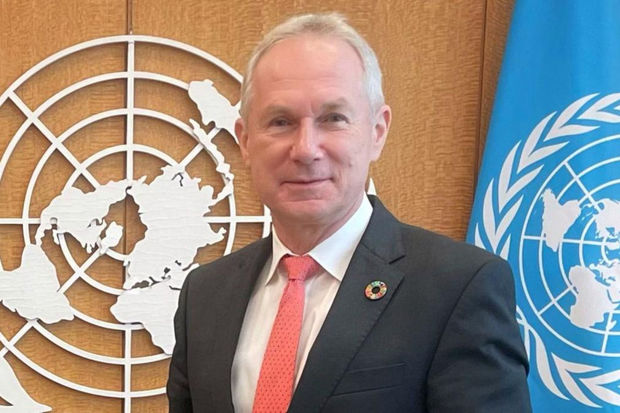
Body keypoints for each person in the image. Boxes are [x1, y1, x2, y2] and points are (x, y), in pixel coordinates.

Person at [167, 12, 531, 413]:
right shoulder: (204, 295)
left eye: (333, 119)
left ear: (377, 132)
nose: (306, 149)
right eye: (281, 121)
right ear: (245, 141)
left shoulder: (458, 288)